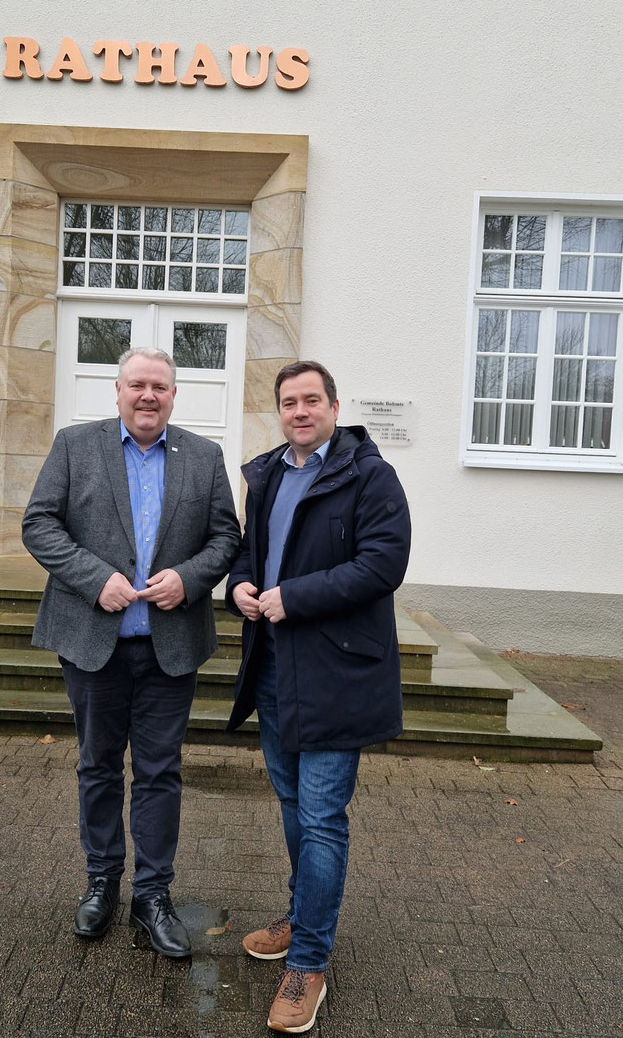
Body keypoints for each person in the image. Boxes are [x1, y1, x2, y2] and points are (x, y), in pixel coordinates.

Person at [22, 346, 240, 958]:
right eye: (137, 385)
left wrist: (189, 579)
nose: (148, 395)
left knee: (159, 771)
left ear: (173, 396)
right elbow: (39, 524)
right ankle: (101, 882)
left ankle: (152, 894)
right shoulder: (75, 445)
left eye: (160, 387)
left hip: (169, 647)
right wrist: (96, 579)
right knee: (97, 765)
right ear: (117, 390)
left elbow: (227, 537)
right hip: (94, 644)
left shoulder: (204, 456)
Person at [226, 360, 411, 1031]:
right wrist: (239, 586)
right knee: (293, 804)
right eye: (288, 402)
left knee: (323, 816)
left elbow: (383, 564)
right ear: (279, 411)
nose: (300, 411)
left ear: (334, 406)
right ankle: (302, 914)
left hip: (337, 673)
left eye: (311, 400)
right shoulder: (268, 474)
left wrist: (293, 597)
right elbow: (250, 552)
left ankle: (308, 963)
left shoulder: (370, 476)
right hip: (275, 668)